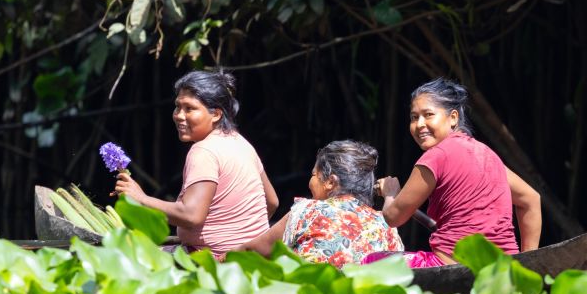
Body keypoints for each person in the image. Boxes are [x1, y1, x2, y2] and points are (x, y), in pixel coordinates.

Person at [376, 78, 541, 266]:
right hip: (503, 269)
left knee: (370, 261)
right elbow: (531, 199)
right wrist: (528, 264)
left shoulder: (435, 157)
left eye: (428, 114)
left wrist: (390, 193)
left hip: (450, 265)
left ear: (453, 117)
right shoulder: (487, 155)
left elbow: (393, 217)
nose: (420, 124)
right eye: (414, 117)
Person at [114, 69, 278, 258]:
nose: (179, 115)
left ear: (216, 114)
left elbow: (191, 215)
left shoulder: (204, 151)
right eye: (177, 107)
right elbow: (272, 201)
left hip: (214, 262)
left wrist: (141, 198)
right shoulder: (241, 142)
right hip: (250, 260)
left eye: (189, 108)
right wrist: (242, 235)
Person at [240, 140, 404, 267]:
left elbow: (253, 251)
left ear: (330, 182)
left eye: (313, 175)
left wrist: (220, 259)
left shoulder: (309, 211)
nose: (310, 182)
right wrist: (390, 196)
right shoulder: (387, 227)